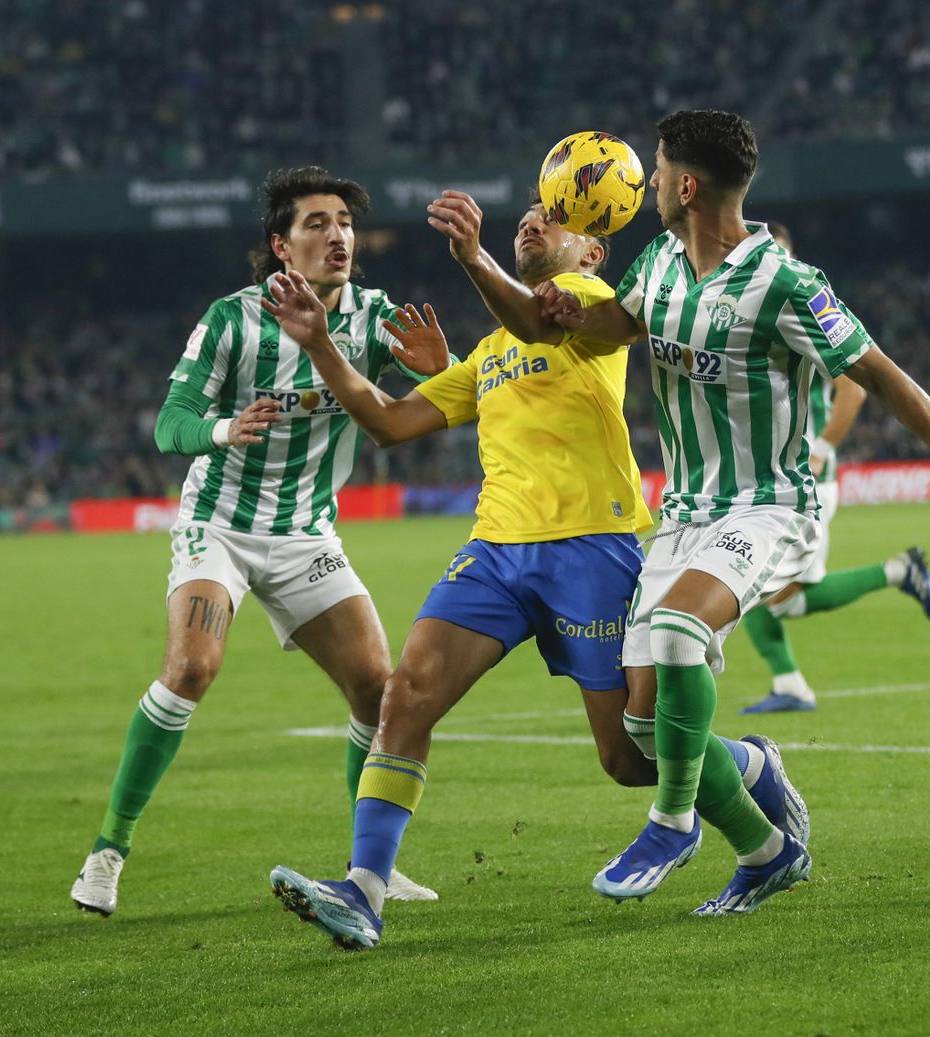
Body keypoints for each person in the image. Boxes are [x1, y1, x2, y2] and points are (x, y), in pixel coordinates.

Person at [430, 109, 930, 917]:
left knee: (677, 637)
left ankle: (671, 823)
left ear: (685, 184)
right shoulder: (659, 265)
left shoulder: (786, 282)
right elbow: (557, 323)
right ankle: (765, 842)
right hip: (681, 514)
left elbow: (879, 372)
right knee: (643, 728)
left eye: (655, 167)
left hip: (767, 504)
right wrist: (500, 275)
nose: (643, 181)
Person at [263, 198, 809, 950]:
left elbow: (538, 323)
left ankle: (749, 765)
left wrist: (473, 258)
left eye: (551, 219)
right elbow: (389, 422)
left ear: (590, 253)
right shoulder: (488, 355)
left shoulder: (588, 306)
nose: (530, 222)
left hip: (593, 550)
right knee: (407, 692)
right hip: (495, 553)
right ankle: (363, 889)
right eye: (525, 214)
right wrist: (322, 343)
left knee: (629, 754)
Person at [70, 167, 444, 917]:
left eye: (344, 221)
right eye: (316, 223)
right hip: (221, 526)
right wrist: (221, 428)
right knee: (191, 668)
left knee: (380, 688)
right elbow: (169, 422)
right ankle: (107, 852)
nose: (337, 234)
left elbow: (443, 397)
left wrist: (443, 372)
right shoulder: (232, 321)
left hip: (306, 533)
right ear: (281, 246)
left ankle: (369, 863)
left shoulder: (375, 318)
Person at [740, 222, 930, 715]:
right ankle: (789, 683)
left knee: (772, 595)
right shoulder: (746, 312)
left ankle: (897, 571)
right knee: (749, 585)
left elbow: (854, 385)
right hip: (768, 479)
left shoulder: (801, 304)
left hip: (805, 479)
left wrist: (824, 448)